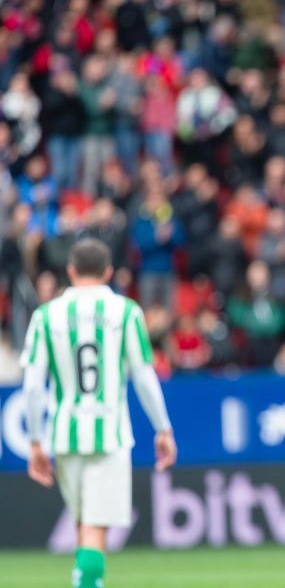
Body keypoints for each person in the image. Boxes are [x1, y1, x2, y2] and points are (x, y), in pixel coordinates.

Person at [20, 238, 176, 588]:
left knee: (83, 523)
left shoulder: (46, 315)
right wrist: (163, 429)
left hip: (64, 434)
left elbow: (32, 385)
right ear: (108, 272)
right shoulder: (127, 311)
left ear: (71, 271)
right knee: (93, 526)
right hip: (110, 433)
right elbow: (144, 377)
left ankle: (86, 581)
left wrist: (34, 441)